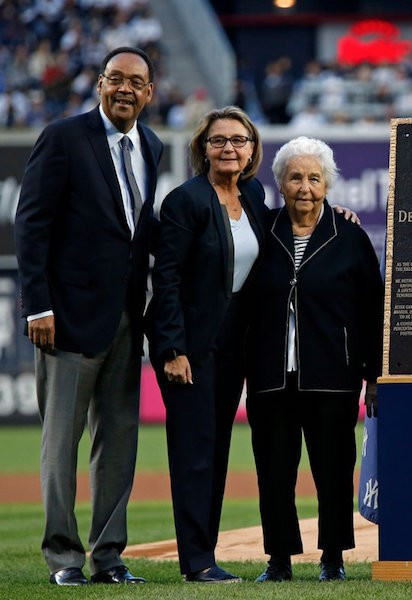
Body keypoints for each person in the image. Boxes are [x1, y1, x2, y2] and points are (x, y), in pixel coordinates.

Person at [14, 46, 161, 586]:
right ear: (99, 84)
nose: (126, 89)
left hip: (126, 318)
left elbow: (135, 235)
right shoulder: (63, 137)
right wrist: (40, 305)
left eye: (136, 82)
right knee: (61, 443)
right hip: (67, 318)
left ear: (149, 92)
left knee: (120, 441)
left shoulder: (152, 144)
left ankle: (109, 558)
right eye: (116, 79)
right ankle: (63, 558)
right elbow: (30, 225)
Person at [245, 136, 383, 583]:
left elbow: (372, 310)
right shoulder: (260, 231)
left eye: (314, 178)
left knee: (334, 472)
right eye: (295, 177)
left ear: (328, 185)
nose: (304, 186)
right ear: (280, 184)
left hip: (334, 377)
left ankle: (333, 559)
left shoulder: (351, 236)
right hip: (270, 378)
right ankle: (278, 561)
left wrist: (373, 375)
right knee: (274, 473)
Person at [145, 106, 267, 583]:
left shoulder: (253, 193)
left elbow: (273, 237)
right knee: (194, 452)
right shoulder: (185, 200)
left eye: (239, 140)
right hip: (190, 346)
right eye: (219, 141)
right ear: (203, 148)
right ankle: (195, 562)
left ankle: (206, 554)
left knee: (216, 451)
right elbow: (167, 278)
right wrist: (173, 349)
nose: (229, 148)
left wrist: (328, 213)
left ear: (252, 149)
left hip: (235, 342)